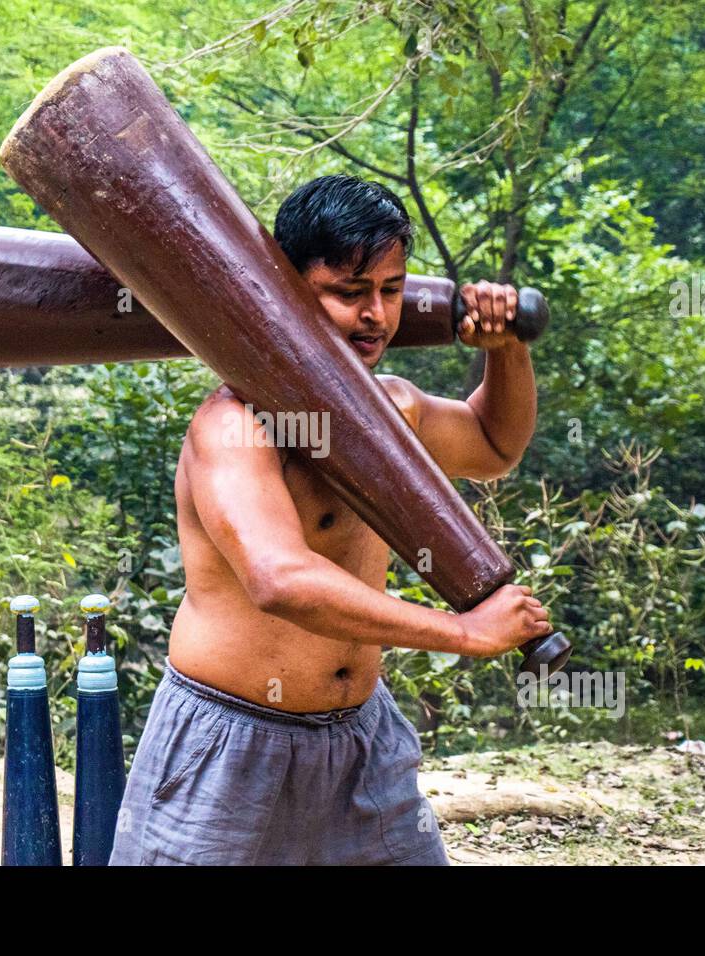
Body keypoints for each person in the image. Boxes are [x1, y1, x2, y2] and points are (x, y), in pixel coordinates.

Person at [109, 173, 552, 865]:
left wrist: (506, 349)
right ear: (287, 289)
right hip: (229, 744)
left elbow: (495, 446)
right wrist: (463, 633)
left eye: (391, 289)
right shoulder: (232, 428)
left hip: (359, 741)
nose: (375, 314)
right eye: (349, 292)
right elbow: (280, 579)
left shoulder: (394, 409)